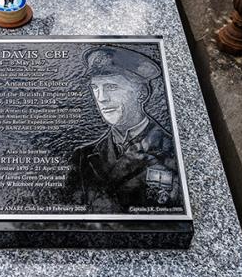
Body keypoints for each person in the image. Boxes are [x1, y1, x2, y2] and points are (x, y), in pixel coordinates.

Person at [68, 46, 183, 212]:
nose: (101, 98)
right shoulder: (83, 155)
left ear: (141, 93)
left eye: (111, 87)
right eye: (95, 88)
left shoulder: (171, 149)